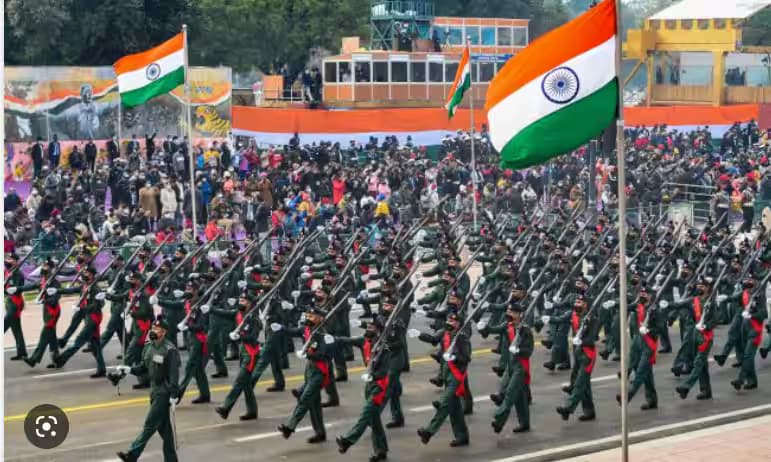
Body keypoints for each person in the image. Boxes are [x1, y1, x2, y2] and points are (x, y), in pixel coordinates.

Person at [115, 316, 181, 462]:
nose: (153, 331)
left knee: (150, 424)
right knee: (165, 429)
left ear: (164, 332)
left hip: (163, 392)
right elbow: (143, 368)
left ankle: (132, 454)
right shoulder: (148, 346)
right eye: (153, 328)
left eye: (157, 329)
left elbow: (174, 375)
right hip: (153, 390)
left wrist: (174, 395)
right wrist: (129, 369)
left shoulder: (170, 350)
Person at [278, 306, 334, 444]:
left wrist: (308, 353)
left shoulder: (324, 335)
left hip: (319, 371)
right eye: (307, 316)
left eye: (312, 316)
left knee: (304, 399)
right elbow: (293, 331)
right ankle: (320, 433)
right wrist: (280, 328)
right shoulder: (307, 330)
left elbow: (325, 355)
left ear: (320, 318)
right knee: (314, 405)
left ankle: (289, 427)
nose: (308, 318)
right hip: (309, 369)